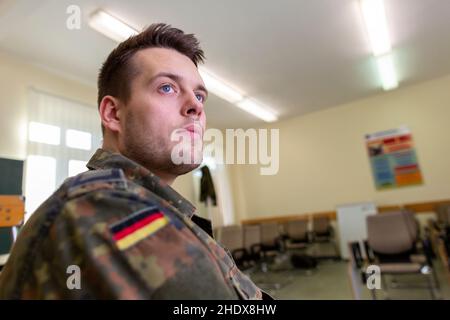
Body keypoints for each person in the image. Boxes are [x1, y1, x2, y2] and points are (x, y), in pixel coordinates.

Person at [0, 23, 270, 300]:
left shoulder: (161, 209)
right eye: (167, 87)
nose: (196, 106)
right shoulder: (98, 207)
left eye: (200, 95)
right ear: (114, 114)